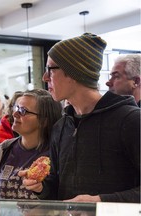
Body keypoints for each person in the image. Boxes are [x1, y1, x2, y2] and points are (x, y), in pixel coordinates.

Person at [19, 33, 140, 203]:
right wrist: (41, 187)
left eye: (50, 70)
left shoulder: (131, 120)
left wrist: (99, 201)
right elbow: (57, 186)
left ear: (73, 72)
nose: (44, 78)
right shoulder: (60, 127)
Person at [0, 89, 62, 199]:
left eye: (23, 111)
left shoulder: (57, 154)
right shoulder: (3, 150)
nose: (14, 114)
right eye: (16, 108)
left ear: (44, 121)